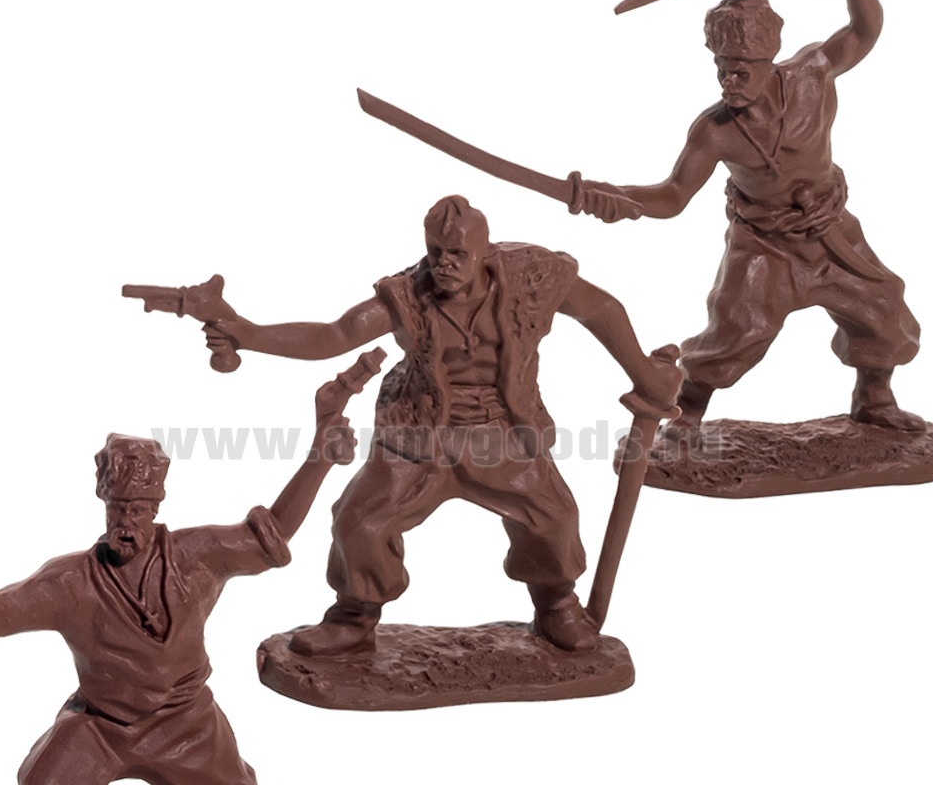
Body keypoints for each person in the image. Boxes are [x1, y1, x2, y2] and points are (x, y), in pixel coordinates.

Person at [0, 387, 357, 785]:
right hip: (101, 723)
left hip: (184, 718)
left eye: (140, 509)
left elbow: (272, 534)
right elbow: (1, 611)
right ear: (105, 508)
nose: (129, 522)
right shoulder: (71, 581)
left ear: (156, 507)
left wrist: (319, 460)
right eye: (120, 509)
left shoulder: (199, 555)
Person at [204, 194, 681, 657]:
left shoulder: (530, 276)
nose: (443, 264)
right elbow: (337, 334)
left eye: (457, 253)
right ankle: (353, 618)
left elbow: (601, 309)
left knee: (554, 516)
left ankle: (557, 603)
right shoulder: (407, 296)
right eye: (435, 252)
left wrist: (643, 373)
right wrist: (251, 335)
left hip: (502, 431)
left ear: (485, 252)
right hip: (419, 432)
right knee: (359, 520)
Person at [572, 0, 922, 431]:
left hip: (830, 230)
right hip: (764, 244)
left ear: (768, 62)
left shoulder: (812, 74)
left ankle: (875, 399)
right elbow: (673, 195)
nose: (729, 82)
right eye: (722, 70)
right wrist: (615, 197)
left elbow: (863, 32)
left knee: (882, 306)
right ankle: (688, 412)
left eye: (741, 72)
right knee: (738, 332)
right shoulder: (715, 131)